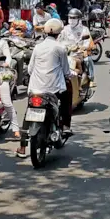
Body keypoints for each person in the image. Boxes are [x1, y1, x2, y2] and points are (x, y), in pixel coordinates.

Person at [16, 18, 72, 159]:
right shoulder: (60, 48)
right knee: (68, 93)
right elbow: (66, 71)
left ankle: (22, 147)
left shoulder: (37, 47)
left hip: (35, 88)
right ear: (59, 33)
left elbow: (30, 69)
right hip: (53, 90)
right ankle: (65, 125)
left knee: (28, 112)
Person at [59, 8, 94, 81]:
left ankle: (91, 78)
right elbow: (59, 41)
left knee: (88, 60)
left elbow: (87, 42)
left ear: (79, 19)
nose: (71, 19)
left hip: (79, 53)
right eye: (70, 17)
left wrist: (82, 48)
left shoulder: (84, 29)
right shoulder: (64, 29)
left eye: (74, 18)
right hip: (67, 53)